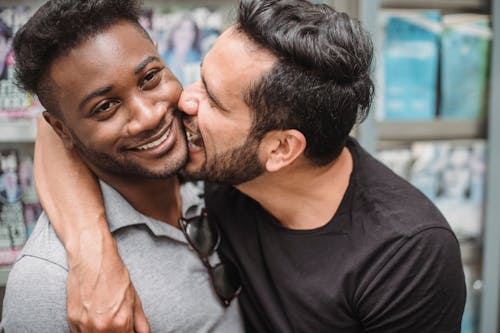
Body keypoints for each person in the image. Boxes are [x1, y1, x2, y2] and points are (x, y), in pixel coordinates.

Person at [32, 0, 466, 332]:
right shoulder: (219, 158)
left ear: (280, 150)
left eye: (214, 101)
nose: (182, 103)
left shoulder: (405, 255)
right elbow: (57, 129)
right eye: (199, 77)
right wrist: (93, 254)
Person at [0, 1, 243, 332]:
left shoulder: (213, 165)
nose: (149, 116)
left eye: (150, 77)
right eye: (105, 106)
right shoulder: (47, 282)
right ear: (61, 130)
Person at [161, 15, 202, 87]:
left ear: (195, 34)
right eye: (181, 29)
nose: (185, 34)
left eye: (190, 30)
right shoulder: (162, 58)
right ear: (173, 32)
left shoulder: (199, 60)